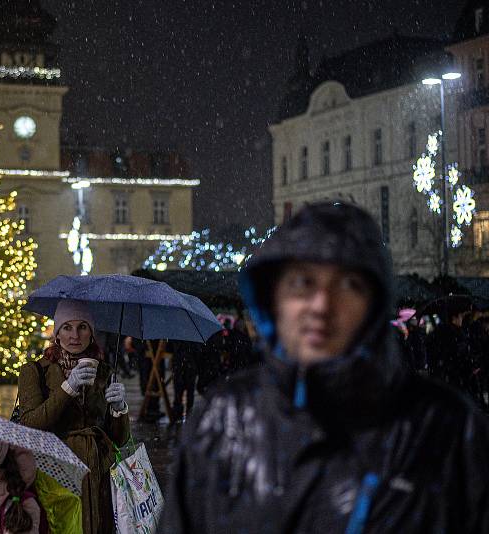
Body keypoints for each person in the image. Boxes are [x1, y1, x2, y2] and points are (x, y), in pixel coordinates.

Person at [161, 203, 489, 533]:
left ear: (374, 303)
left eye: (347, 285)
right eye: (302, 283)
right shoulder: (225, 421)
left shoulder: (448, 431)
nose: (321, 305)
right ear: (273, 299)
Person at [18, 299, 129, 534]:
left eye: (82, 327)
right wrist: (68, 388)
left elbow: (118, 439)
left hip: (99, 475)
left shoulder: (105, 372)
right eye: (67, 327)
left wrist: (120, 408)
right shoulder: (34, 371)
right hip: (56, 474)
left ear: (91, 333)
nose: (75, 335)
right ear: (57, 334)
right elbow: (30, 424)